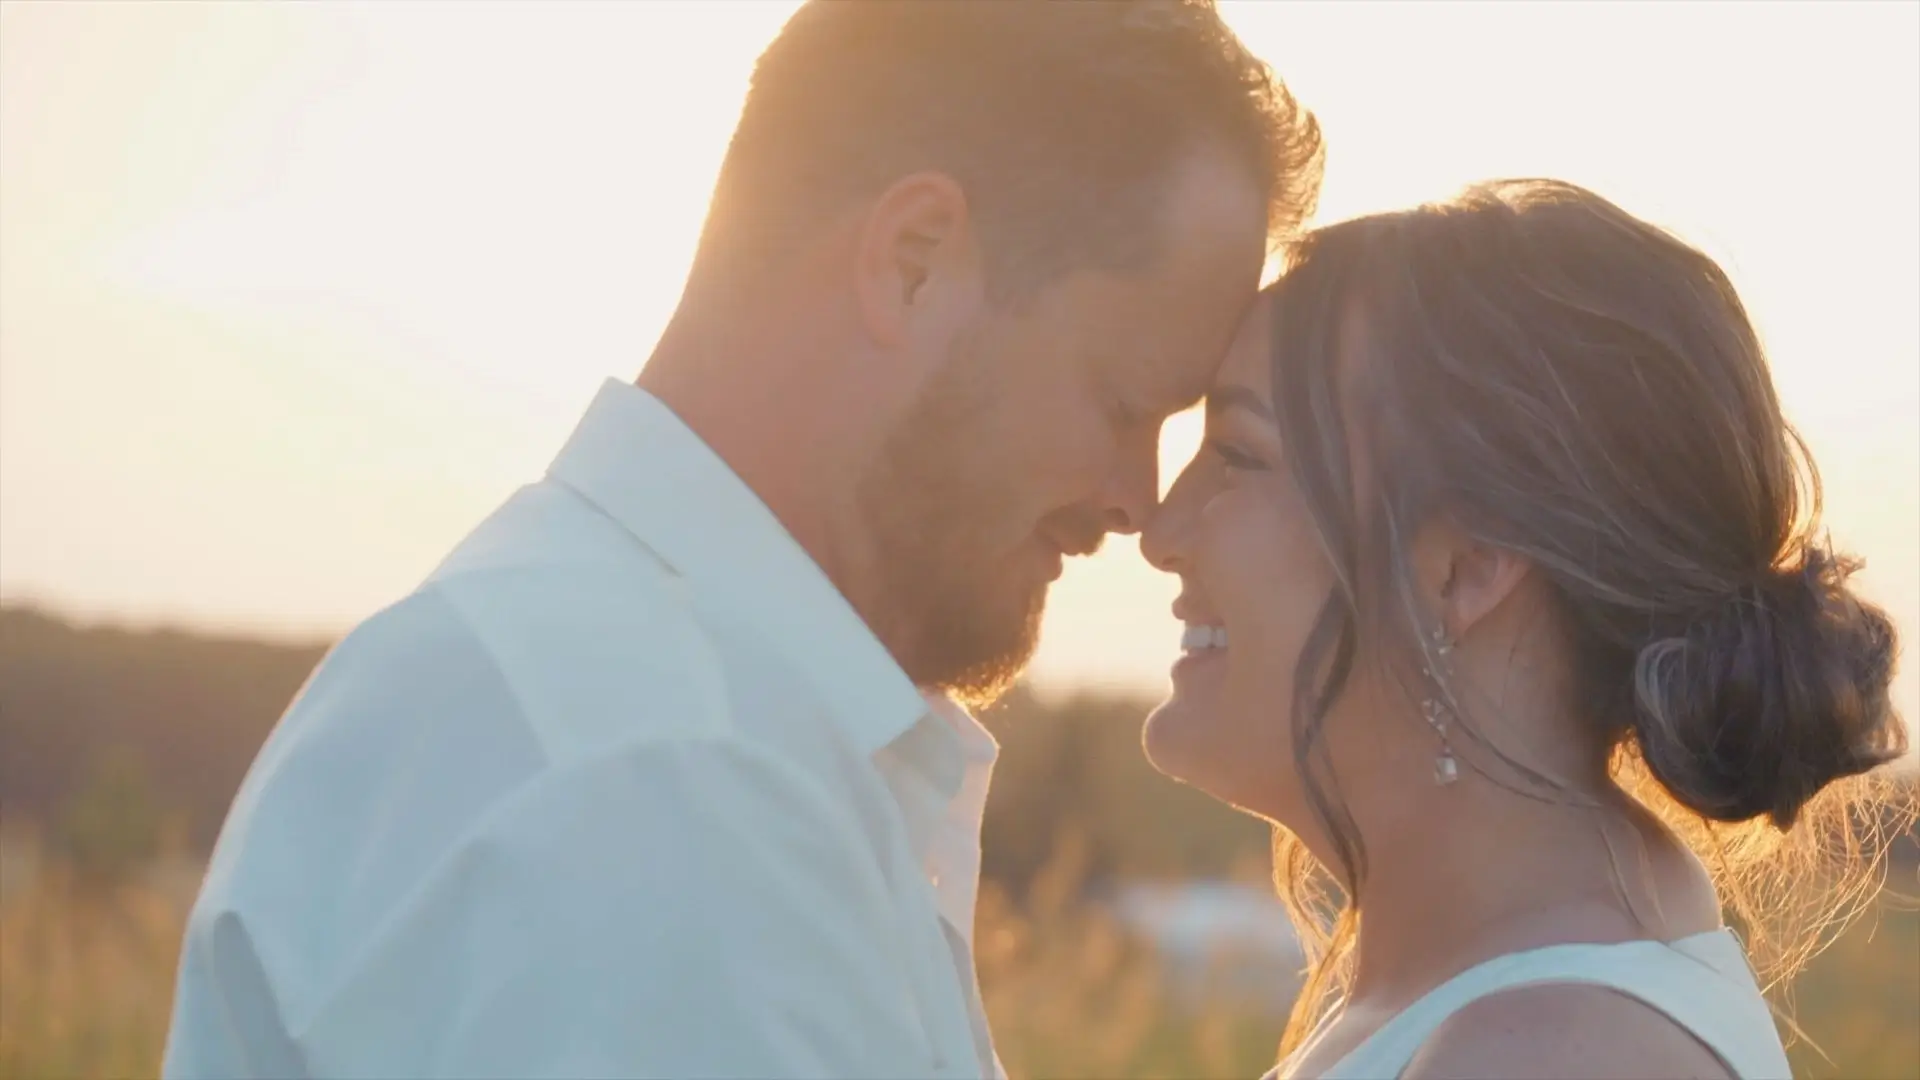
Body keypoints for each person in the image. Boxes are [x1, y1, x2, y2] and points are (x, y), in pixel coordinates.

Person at [161, 2, 1323, 1078]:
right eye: (1126, 404)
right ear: (912, 261)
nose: (1140, 505)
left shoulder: (595, 695)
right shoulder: (658, 784)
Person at [1140, 179, 1910, 1079]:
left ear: (1467, 566)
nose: (1158, 531)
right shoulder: (1480, 984)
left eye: (1238, 454)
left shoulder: (1551, 1050)